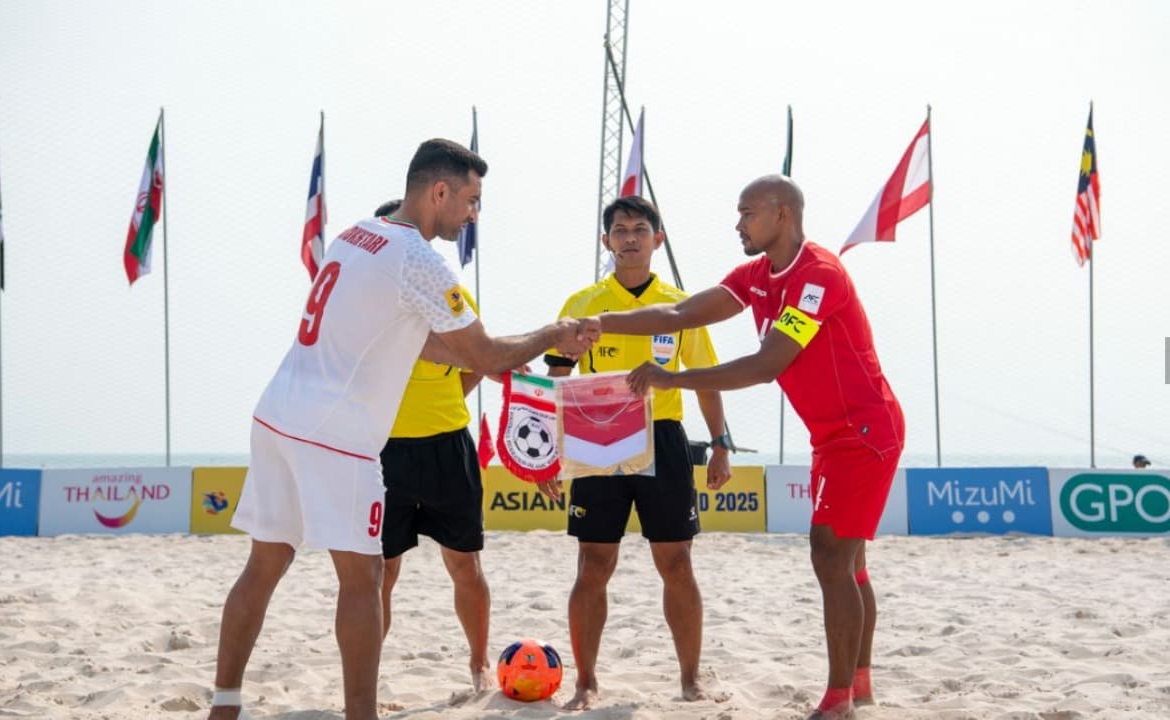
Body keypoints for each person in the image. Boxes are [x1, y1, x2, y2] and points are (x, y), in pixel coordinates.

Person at [206, 138, 599, 720]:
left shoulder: (356, 235)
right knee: (363, 579)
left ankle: (224, 705)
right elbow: (486, 352)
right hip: (336, 433)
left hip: (277, 412)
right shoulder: (419, 258)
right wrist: (553, 333)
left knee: (263, 566)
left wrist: (496, 353)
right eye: (470, 200)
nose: (473, 215)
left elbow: (433, 345)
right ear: (439, 191)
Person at [592, 175, 904, 720]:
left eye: (747, 213)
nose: (738, 224)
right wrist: (596, 323)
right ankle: (860, 684)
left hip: (866, 432)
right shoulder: (756, 275)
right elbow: (676, 315)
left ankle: (838, 701)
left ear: (782, 215)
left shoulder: (818, 276)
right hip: (832, 434)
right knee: (848, 562)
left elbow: (765, 366)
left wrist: (673, 380)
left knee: (829, 553)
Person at [535, 196, 733, 710]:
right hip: (594, 437)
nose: (629, 237)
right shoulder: (582, 304)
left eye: (639, 229)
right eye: (619, 230)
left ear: (657, 239)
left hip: (662, 437)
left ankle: (690, 678)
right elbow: (553, 378)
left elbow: (707, 381)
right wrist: (548, 452)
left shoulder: (681, 305)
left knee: (677, 562)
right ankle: (585, 681)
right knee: (593, 564)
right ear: (606, 241)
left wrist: (720, 444)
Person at [371, 198, 492, 693]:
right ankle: (368, 670)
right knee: (381, 572)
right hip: (382, 450)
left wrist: (443, 404)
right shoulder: (367, 302)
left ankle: (479, 663)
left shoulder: (447, 292)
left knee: (464, 564)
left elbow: (479, 359)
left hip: (448, 447)